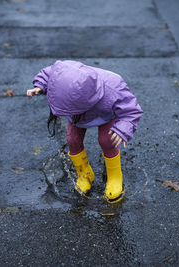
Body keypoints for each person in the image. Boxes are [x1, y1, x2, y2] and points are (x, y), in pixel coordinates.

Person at [27, 60, 143, 203]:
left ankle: (114, 176)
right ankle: (84, 174)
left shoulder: (113, 88)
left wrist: (123, 129)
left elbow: (130, 109)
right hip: (76, 114)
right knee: (72, 140)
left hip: (104, 113)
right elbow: (50, 73)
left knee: (107, 140)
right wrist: (40, 85)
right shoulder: (64, 72)